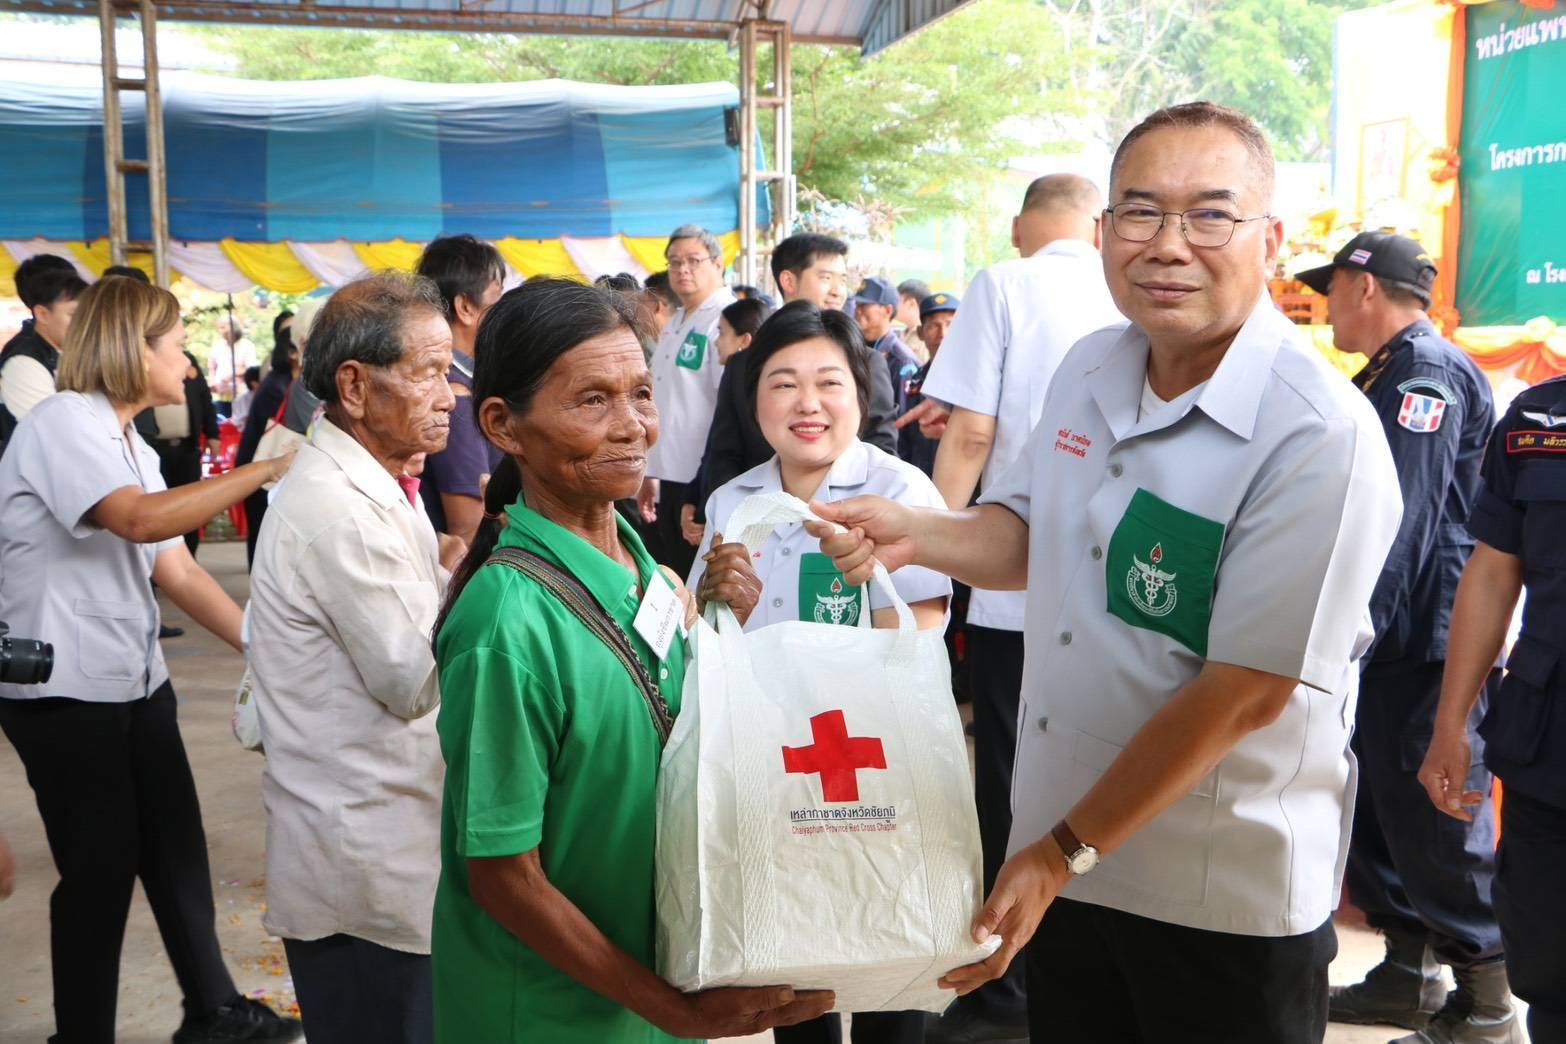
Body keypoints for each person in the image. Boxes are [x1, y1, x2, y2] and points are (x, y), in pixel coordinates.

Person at [809, 102, 1404, 1044]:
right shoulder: (1092, 366)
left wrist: (1060, 852)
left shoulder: (1315, 432)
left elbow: (1247, 691)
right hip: (1065, 863)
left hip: (1212, 895)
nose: (1169, 245)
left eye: (1210, 215)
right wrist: (916, 534)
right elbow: (1037, 537)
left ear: (1272, 240)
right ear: (1102, 233)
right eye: (1141, 213)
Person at [430, 277, 833, 1043]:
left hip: (643, 993)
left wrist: (717, 629)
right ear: (502, 425)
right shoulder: (506, 625)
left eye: (641, 395)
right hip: (551, 1015)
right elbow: (504, 877)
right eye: (592, 402)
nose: (633, 428)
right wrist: (674, 1011)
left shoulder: (640, 563)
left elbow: (661, 730)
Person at [0, 275, 301, 1044]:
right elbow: (136, 521)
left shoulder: (126, 438)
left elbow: (180, 571)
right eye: (178, 347)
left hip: (133, 680)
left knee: (175, 846)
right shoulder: (63, 422)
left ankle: (214, 1012)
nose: (193, 366)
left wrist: (269, 653)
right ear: (134, 349)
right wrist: (263, 472)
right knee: (99, 870)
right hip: (62, 690)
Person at [688, 302, 948, 1044]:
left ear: (861, 396)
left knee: (889, 952)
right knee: (797, 964)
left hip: (878, 761)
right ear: (753, 399)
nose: (807, 404)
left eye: (829, 382)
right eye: (782, 384)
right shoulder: (732, 501)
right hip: (774, 760)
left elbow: (923, 632)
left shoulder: (900, 493)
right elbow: (717, 641)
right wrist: (710, 601)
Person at [911, 173, 1122, 1044]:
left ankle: (1006, 987)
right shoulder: (1125, 285)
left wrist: (927, 550)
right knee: (1103, 778)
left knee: (1010, 785)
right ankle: (1077, 973)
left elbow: (970, 432)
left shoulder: (1007, 282)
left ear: (1019, 226)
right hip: (1117, 587)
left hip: (1016, 583)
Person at [1296, 233, 1519, 1043]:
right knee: (1388, 813)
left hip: (1425, 638)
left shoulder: (1424, 373)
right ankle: (1408, 974)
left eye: (1331, 289)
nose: (1325, 308)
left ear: (1364, 286)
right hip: (1399, 636)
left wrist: (1347, 632)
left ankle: (1488, 1003)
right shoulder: (1392, 371)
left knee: (1437, 816)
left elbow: (1402, 521)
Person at [248, 272, 466, 1044]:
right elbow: (411, 680)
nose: (451, 395)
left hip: (393, 844)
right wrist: (489, 582)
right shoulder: (338, 509)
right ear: (354, 385)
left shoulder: (377, 485)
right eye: (432, 372)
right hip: (366, 863)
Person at [1419, 373, 1566, 1044]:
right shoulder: (1538, 418)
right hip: (1549, 751)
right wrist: (1452, 723)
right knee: (1551, 966)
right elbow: (1493, 569)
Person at [698, 233, 899, 518]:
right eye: (826, 277)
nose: (837, 291)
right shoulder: (742, 364)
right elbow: (723, 448)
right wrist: (720, 518)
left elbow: (881, 443)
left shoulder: (868, 361)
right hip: (756, 524)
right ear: (789, 281)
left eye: (843, 280)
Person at [638, 224, 737, 576]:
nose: (682, 270)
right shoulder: (677, 319)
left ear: (718, 264)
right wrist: (651, 469)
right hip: (670, 472)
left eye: (693, 261)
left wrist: (704, 483)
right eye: (674, 262)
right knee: (673, 571)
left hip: (703, 476)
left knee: (698, 580)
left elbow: (729, 407)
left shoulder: (726, 321)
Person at [416, 234, 507, 545]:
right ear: (465, 306)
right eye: (498, 298)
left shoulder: (455, 379)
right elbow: (468, 527)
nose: (504, 312)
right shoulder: (455, 395)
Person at [679, 295, 772, 548]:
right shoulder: (733, 376)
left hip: (744, 519)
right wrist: (693, 496)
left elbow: (727, 454)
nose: (716, 341)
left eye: (722, 332)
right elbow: (717, 447)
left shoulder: (741, 375)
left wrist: (711, 516)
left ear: (745, 340)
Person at [136, 350, 221, 557]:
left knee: (190, 510)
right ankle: (159, 565)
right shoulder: (144, 361)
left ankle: (189, 557)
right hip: (154, 449)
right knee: (159, 510)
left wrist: (212, 433)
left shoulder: (187, 360)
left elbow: (205, 398)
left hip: (186, 448)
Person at [0, 254, 86, 459]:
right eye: (74, 316)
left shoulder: (67, 352)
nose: (84, 324)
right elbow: (57, 433)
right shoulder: (22, 363)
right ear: (42, 314)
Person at [236, 312, 298, 567]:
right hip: (261, 474)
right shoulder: (279, 386)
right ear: (293, 353)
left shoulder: (286, 381)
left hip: (269, 474)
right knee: (263, 540)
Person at [897, 292, 959, 478]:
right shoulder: (915, 380)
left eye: (951, 324)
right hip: (920, 481)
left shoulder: (978, 383)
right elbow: (904, 439)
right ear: (920, 333)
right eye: (934, 325)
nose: (943, 333)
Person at [854, 276, 922, 418]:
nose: (858, 310)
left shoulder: (901, 359)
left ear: (888, 311)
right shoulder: (854, 348)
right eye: (857, 304)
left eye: (864, 306)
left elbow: (902, 418)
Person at [206, 314, 258, 406]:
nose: (220, 331)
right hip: (221, 395)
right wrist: (212, 381)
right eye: (219, 328)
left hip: (240, 394)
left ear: (233, 327)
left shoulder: (247, 346)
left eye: (223, 327)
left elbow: (250, 369)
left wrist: (231, 375)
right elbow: (211, 367)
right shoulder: (217, 345)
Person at [897, 278, 932, 362]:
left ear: (911, 304)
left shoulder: (926, 338)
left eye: (897, 301)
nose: (893, 305)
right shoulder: (902, 333)